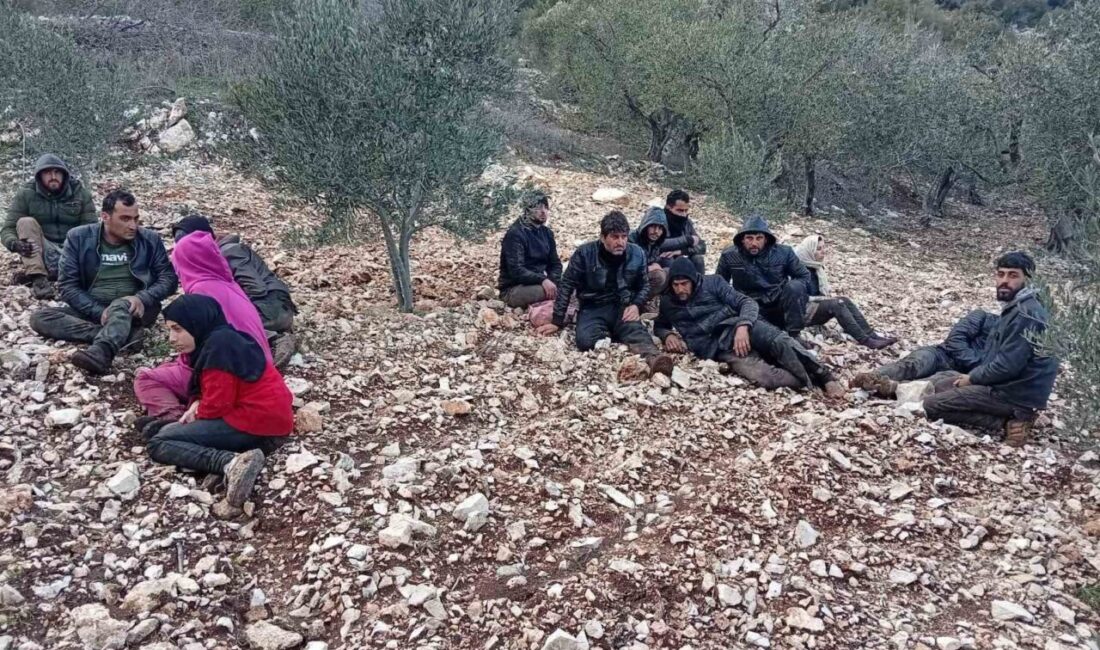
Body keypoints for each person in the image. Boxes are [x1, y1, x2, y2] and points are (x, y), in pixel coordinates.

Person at [145, 295, 293, 509]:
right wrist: (196, 404)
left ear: (196, 322)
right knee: (163, 431)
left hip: (259, 424)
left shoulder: (218, 347)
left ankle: (230, 463)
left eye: (177, 329)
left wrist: (195, 414)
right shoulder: (224, 338)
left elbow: (217, 405)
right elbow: (211, 391)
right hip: (269, 418)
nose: (171, 338)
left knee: (159, 442)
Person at [29, 190, 177, 375]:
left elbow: (169, 278)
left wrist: (143, 297)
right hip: (93, 308)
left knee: (121, 305)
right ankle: (119, 334)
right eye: (125, 218)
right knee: (40, 318)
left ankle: (102, 352)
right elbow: (67, 285)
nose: (133, 225)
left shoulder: (149, 239)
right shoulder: (79, 237)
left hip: (136, 308)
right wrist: (99, 312)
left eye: (136, 218)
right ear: (105, 217)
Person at [134, 231, 273, 426]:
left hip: (228, 367)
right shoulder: (227, 282)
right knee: (168, 367)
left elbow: (203, 341)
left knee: (146, 378)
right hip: (258, 363)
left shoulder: (201, 289)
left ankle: (171, 419)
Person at [920, 252, 1057, 446]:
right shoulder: (1018, 306)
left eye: (1013, 275)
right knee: (943, 381)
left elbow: (1008, 366)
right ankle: (894, 388)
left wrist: (973, 378)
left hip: (1013, 394)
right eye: (1001, 274)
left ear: (1028, 279)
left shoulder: (1027, 313)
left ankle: (1008, 422)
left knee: (929, 406)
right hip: (1003, 384)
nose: (1004, 281)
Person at [655, 257, 845, 395]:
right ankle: (808, 382)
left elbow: (747, 303)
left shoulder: (714, 283)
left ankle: (824, 375)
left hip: (739, 327)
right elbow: (660, 325)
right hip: (719, 349)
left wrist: (743, 326)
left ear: (694, 280)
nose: (680, 289)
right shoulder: (667, 302)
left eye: (684, 284)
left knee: (779, 341)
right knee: (766, 378)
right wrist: (667, 335)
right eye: (676, 284)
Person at [536, 210, 674, 376]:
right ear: (603, 237)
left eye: (623, 236)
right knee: (584, 341)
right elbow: (567, 284)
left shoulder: (637, 253)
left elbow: (644, 285)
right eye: (615, 237)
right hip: (592, 307)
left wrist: (636, 305)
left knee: (638, 333)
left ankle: (655, 360)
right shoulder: (584, 253)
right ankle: (609, 335)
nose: (620, 242)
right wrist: (557, 321)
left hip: (622, 305)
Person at [171, 214, 298, 365]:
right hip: (272, 308)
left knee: (221, 323)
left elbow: (255, 288)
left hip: (273, 309)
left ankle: (274, 339)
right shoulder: (214, 256)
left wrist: (232, 303)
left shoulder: (228, 252)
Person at [2, 154, 97, 299]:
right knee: (25, 222)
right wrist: (15, 244)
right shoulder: (26, 194)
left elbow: (91, 228)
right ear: (39, 176)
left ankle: (73, 276)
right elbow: (7, 228)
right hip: (42, 250)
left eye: (57, 172)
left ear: (64, 174)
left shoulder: (80, 193)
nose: (53, 176)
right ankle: (38, 278)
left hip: (72, 250)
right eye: (47, 172)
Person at [851, 309, 999, 398]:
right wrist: (976, 363)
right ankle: (873, 376)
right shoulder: (982, 316)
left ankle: (893, 387)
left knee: (934, 382)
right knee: (913, 364)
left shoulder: (1015, 339)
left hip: (962, 372)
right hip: (942, 354)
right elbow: (955, 339)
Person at [717, 213, 810, 340]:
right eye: (749, 238)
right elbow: (719, 284)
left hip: (778, 303)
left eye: (759, 238)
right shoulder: (729, 255)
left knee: (795, 286)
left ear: (766, 239)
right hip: (748, 306)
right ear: (742, 239)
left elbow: (803, 276)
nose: (754, 243)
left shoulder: (784, 252)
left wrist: (793, 298)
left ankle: (794, 333)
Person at [793, 234, 897, 349]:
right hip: (801, 312)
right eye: (818, 249)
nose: (823, 252)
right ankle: (866, 341)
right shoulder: (797, 269)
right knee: (837, 304)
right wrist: (823, 299)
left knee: (844, 300)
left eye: (823, 247)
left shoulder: (816, 266)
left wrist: (824, 298)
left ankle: (871, 335)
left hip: (814, 305)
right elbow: (798, 298)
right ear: (809, 251)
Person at [497, 191, 563, 309]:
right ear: (527, 210)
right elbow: (517, 271)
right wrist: (543, 280)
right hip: (514, 288)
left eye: (546, 207)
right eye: (538, 208)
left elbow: (555, 264)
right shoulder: (516, 234)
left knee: (572, 284)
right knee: (555, 292)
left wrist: (552, 280)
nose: (543, 211)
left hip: (539, 281)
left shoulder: (547, 233)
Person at [629, 206, 672, 302]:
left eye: (660, 228)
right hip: (628, 283)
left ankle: (651, 300)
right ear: (646, 225)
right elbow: (625, 270)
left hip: (641, 279)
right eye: (653, 226)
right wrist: (649, 268)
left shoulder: (654, 243)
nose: (656, 232)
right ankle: (637, 303)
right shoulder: (631, 240)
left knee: (672, 271)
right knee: (659, 276)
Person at [658, 190, 706, 274]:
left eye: (686, 210)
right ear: (669, 207)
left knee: (698, 259)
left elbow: (702, 246)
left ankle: (700, 286)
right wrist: (687, 240)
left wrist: (682, 251)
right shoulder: (659, 221)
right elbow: (658, 243)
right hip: (660, 258)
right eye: (680, 210)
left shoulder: (686, 222)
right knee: (669, 260)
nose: (684, 214)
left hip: (680, 254)